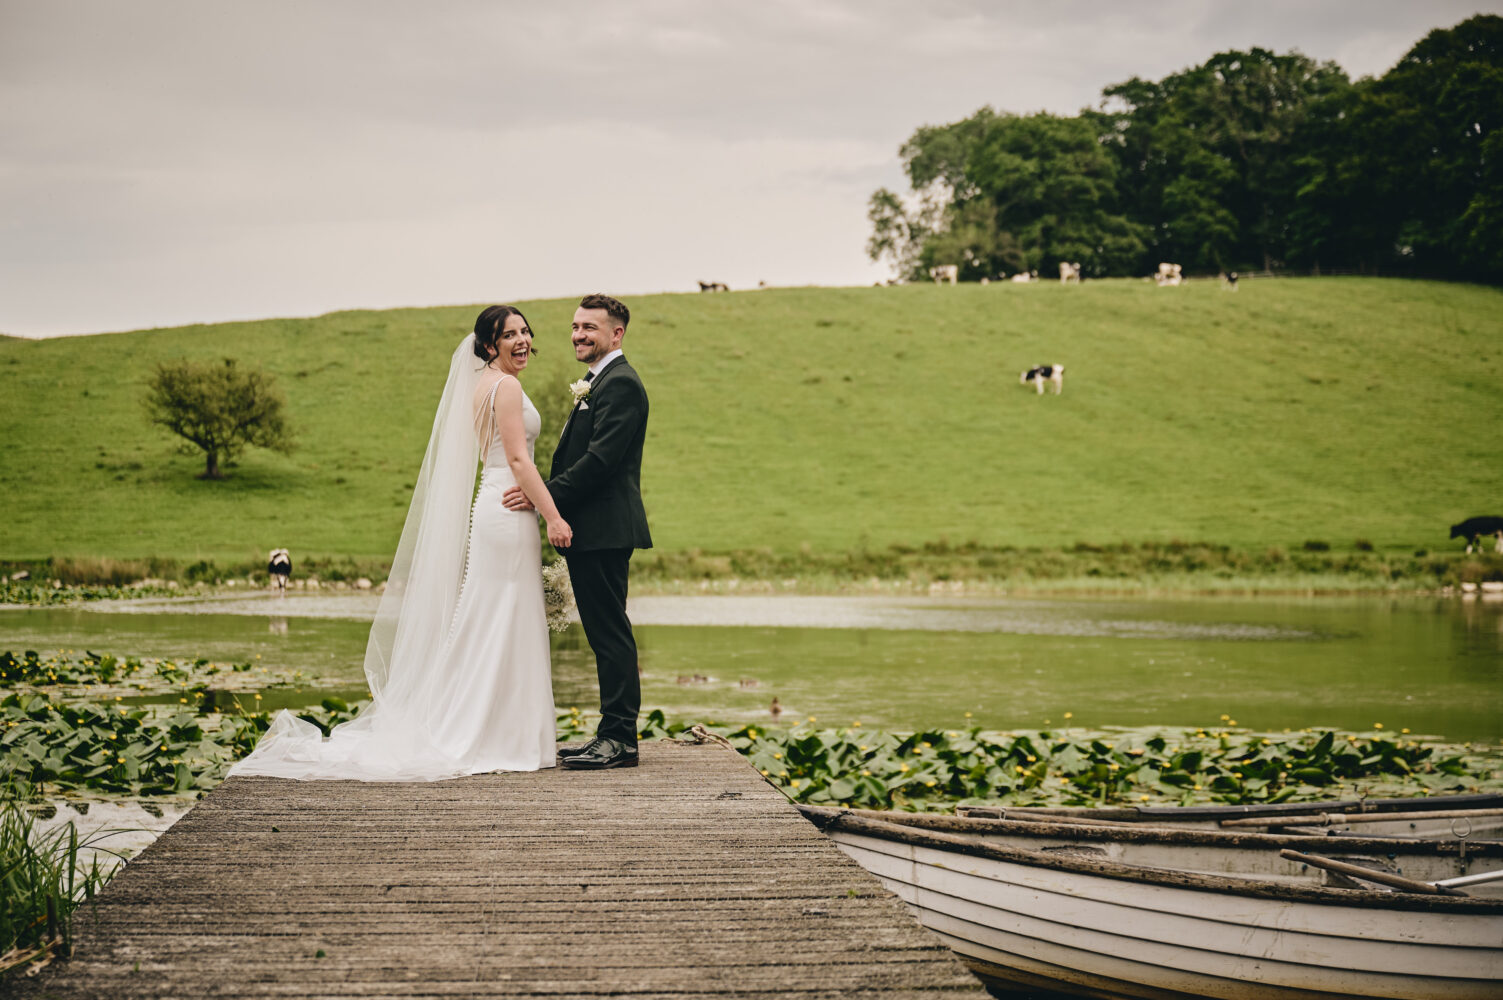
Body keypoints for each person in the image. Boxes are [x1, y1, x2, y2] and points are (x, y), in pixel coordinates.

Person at [230, 306, 569, 781]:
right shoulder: (507, 387)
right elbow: (516, 458)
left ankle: (493, 730)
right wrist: (553, 514)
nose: (522, 340)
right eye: (509, 334)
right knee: (502, 615)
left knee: (492, 615)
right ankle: (504, 737)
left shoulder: (483, 386)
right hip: (509, 508)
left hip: (495, 503)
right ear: (489, 346)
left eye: (525, 331)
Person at [503, 293, 651, 770]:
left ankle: (620, 740)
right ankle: (610, 734)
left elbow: (601, 462)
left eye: (589, 327)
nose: (578, 335)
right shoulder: (597, 382)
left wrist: (542, 495)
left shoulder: (621, 384)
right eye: (575, 326)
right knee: (604, 633)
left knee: (610, 633)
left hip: (606, 527)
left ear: (616, 333)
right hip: (593, 528)